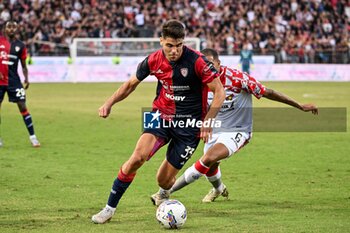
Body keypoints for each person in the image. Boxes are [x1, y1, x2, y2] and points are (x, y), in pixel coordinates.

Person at [91, 20, 225, 224]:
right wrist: (109, 103)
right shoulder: (152, 60)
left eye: (179, 45)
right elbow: (130, 85)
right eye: (169, 45)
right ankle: (109, 209)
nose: (174, 50)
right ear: (161, 41)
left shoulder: (197, 61)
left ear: (184, 42)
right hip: (159, 115)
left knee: (163, 180)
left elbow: (219, 92)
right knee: (137, 157)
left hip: (189, 126)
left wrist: (208, 121)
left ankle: (164, 192)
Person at [151, 48, 318, 204]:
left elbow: (269, 92)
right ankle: (219, 189)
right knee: (210, 167)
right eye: (205, 64)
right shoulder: (198, 82)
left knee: (208, 158)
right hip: (214, 128)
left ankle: (164, 193)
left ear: (219, 63)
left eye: (211, 63)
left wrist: (299, 106)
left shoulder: (237, 78)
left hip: (238, 129)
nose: (208, 67)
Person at [0, 21, 40, 147]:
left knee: (22, 106)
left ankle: (33, 137)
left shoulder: (20, 45)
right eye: (9, 27)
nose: (11, 29)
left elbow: (23, 65)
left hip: (14, 81)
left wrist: (26, 78)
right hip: (0, 81)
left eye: (14, 27)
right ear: (5, 29)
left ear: (17, 29)